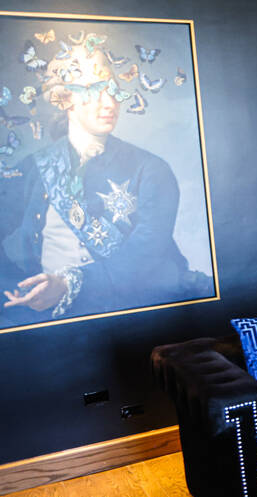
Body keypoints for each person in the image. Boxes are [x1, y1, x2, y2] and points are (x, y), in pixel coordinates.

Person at [0, 35, 195, 326]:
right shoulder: (32, 168)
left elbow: (146, 255)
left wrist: (68, 284)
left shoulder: (152, 170)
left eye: (113, 89)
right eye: (93, 90)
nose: (109, 103)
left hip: (132, 316)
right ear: (65, 99)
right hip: (49, 320)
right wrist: (15, 290)